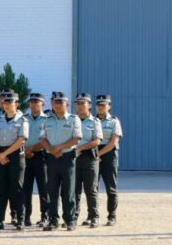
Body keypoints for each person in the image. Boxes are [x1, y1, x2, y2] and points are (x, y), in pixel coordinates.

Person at [41, 92, 82, 231]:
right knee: (52, 191)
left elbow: (77, 138)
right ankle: (53, 220)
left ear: (67, 104)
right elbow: (42, 138)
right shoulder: (47, 120)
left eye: (61, 102)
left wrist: (59, 147)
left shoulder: (73, 119)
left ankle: (70, 220)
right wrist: (52, 150)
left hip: (67, 158)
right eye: (56, 102)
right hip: (52, 158)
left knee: (68, 190)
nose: (58, 105)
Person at [0, 91, 27, 231]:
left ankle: (20, 219)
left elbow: (22, 140)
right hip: (0, 156)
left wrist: (4, 154)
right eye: (5, 102)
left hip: (16, 156)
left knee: (17, 188)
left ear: (16, 104)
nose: (6, 105)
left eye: (10, 103)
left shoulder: (22, 120)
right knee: (2, 189)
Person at [72, 93, 103, 228]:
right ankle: (73, 216)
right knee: (74, 190)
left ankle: (93, 216)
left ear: (89, 105)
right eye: (78, 103)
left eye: (82, 103)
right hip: (73, 157)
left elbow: (97, 140)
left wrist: (81, 148)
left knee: (91, 189)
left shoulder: (95, 121)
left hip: (89, 158)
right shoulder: (72, 120)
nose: (80, 106)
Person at [22, 93, 51, 227]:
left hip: (41, 156)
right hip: (25, 156)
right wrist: (26, 150)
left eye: (37, 102)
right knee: (25, 188)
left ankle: (45, 216)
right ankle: (26, 217)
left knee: (43, 188)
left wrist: (32, 149)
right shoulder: (24, 119)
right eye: (31, 102)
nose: (33, 104)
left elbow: (48, 139)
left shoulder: (47, 119)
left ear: (43, 104)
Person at [95, 94, 123, 227]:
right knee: (92, 188)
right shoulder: (92, 120)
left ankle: (112, 216)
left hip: (109, 155)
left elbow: (113, 142)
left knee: (110, 188)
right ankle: (92, 216)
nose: (101, 107)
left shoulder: (114, 121)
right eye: (99, 105)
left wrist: (98, 154)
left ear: (109, 106)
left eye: (103, 105)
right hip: (93, 154)